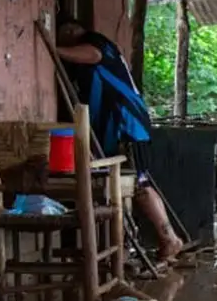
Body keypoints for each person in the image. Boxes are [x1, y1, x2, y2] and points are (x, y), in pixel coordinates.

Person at [55, 15, 184, 260]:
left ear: (72, 31)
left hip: (127, 124)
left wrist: (55, 49)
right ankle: (125, 247)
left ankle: (170, 239)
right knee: (122, 185)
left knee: (138, 184)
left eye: (64, 37)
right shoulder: (87, 54)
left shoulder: (96, 42)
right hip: (113, 127)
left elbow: (93, 55)